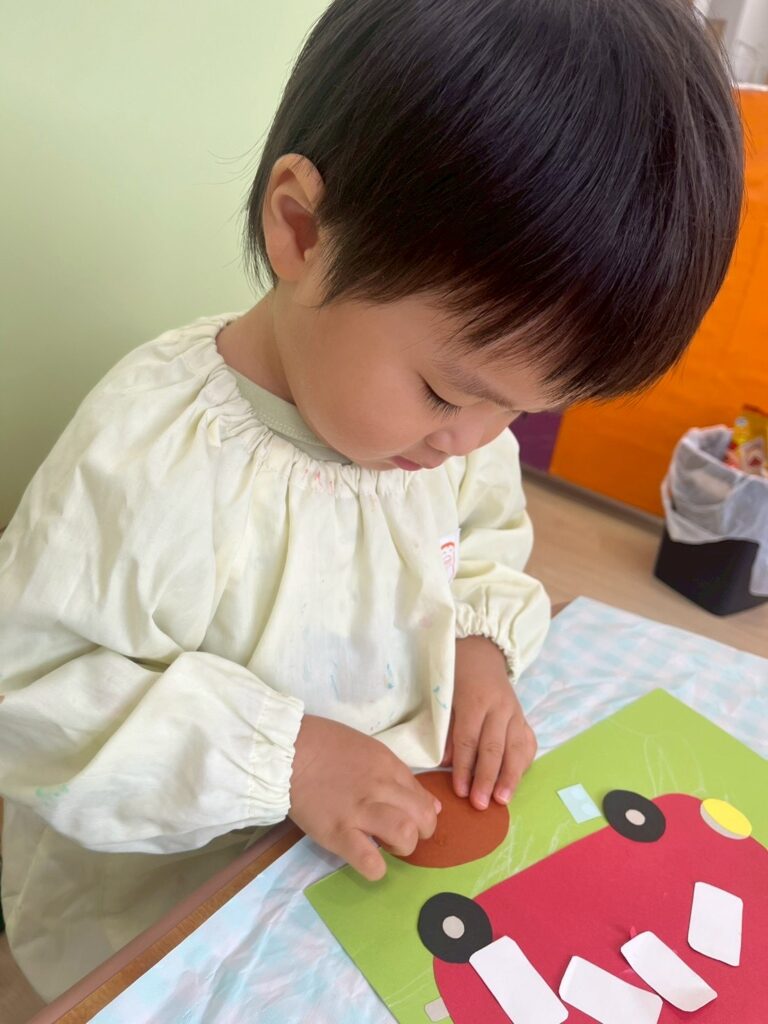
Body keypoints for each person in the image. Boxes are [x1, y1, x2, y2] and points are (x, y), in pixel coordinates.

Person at [0, 0, 743, 1002]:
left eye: (521, 411)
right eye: (447, 391)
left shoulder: (448, 434)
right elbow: (31, 691)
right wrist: (284, 756)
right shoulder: (150, 455)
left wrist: (478, 647)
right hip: (164, 908)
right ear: (302, 231)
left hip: (354, 879)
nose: (473, 441)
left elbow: (480, 539)